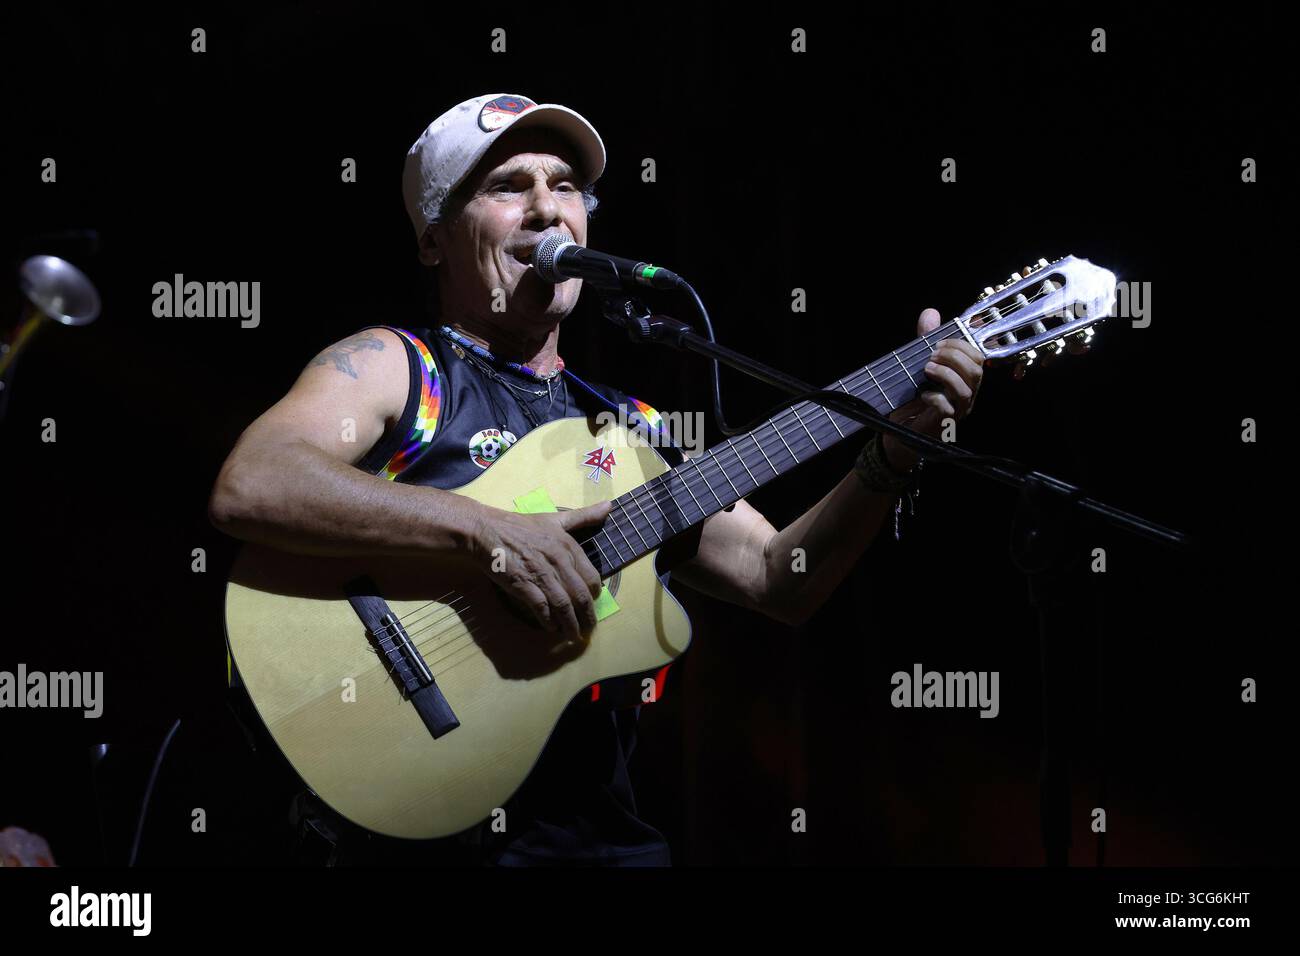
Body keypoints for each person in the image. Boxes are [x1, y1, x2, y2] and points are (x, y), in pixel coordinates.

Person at [207, 92, 985, 865]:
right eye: (509, 186)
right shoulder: (399, 366)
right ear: (435, 240)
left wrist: (895, 453)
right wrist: (489, 531)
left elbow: (777, 576)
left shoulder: (630, 429)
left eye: (567, 186)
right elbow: (253, 480)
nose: (548, 209)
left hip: (597, 840)